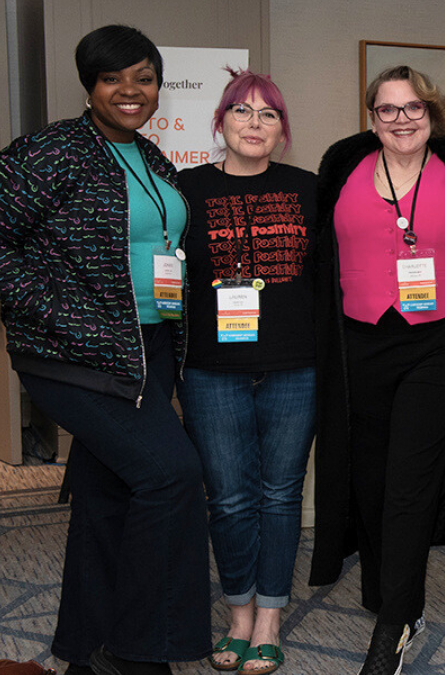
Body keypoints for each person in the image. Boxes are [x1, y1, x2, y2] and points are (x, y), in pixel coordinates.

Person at [0, 25, 209, 675]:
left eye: (144, 77)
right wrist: (62, 315)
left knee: (108, 493)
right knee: (171, 476)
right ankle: (137, 649)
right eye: (114, 77)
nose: (130, 90)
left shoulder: (154, 160)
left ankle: (86, 650)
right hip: (70, 352)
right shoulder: (48, 153)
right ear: (89, 85)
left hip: (145, 343)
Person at [307, 65, 445, 675]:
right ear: (372, 117)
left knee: (408, 482)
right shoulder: (342, 169)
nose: (402, 119)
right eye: (388, 109)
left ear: (433, 113)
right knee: (369, 481)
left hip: (440, 346)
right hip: (360, 347)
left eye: (413, 108)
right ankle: (401, 596)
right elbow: (316, 257)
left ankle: (393, 622)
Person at [176, 69, 317, 675]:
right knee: (230, 499)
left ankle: (270, 618)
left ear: (282, 130)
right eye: (242, 111)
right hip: (211, 370)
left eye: (268, 114)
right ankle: (238, 613)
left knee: (281, 495)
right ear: (220, 122)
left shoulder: (311, 189)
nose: (254, 123)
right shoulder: (184, 191)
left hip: (293, 368)